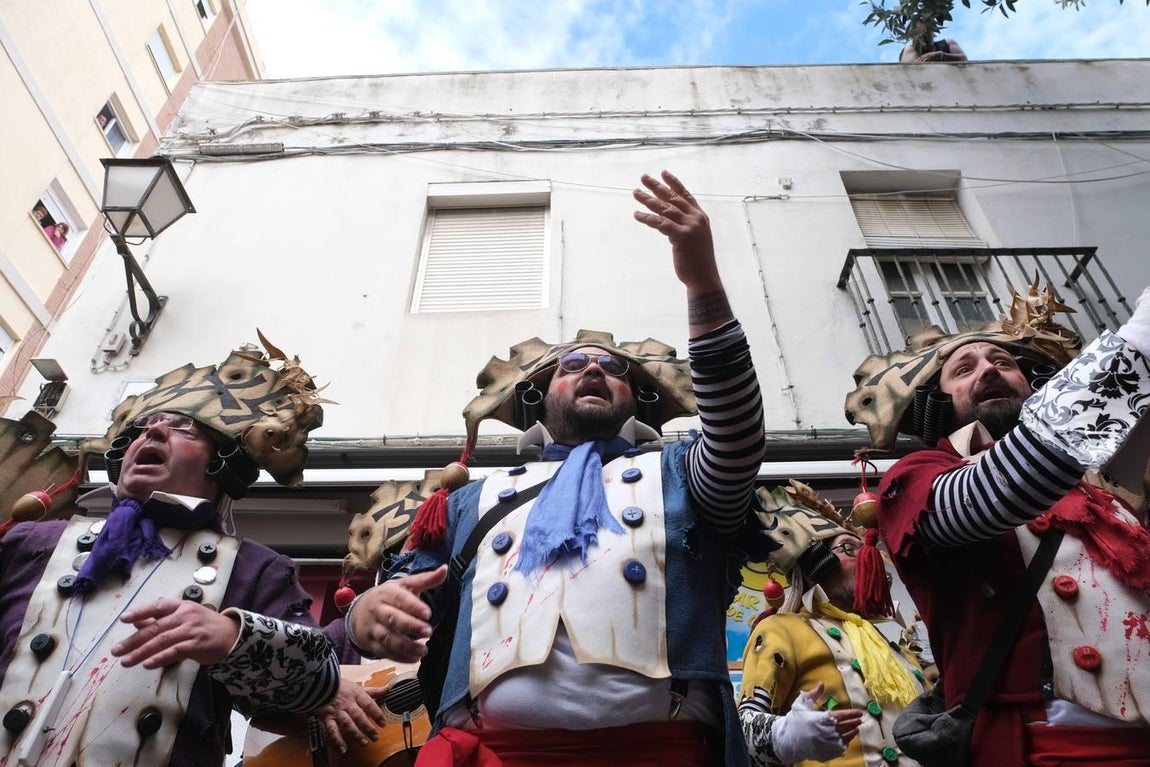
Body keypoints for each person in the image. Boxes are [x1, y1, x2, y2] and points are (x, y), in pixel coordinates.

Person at [344, 170, 767, 766]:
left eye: (612, 369)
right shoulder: (471, 499)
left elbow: (737, 433)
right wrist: (368, 614)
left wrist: (702, 279)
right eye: (572, 365)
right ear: (540, 401)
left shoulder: (681, 477)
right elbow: (411, 601)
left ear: (637, 401)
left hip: (660, 752)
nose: (594, 369)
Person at [844, 281, 1150, 765]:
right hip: (1048, 746)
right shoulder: (918, 476)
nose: (988, 368)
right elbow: (994, 494)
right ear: (939, 403)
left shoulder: (1103, 490)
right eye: (963, 369)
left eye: (1003, 363)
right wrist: (1137, 347)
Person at [0, 341, 346, 767]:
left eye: (183, 428)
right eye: (144, 427)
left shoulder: (254, 569)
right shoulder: (34, 542)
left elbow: (319, 681)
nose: (154, 432)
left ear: (223, 465)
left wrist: (231, 639)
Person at [737, 481, 928, 767]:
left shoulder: (897, 648)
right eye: (848, 548)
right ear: (817, 565)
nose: (867, 559)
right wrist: (785, 734)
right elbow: (741, 727)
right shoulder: (782, 629)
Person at [899, 20, 966, 63]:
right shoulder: (911, 50)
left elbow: (964, 59)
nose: (921, 35)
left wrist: (941, 55)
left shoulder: (948, 43)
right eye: (916, 33)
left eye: (924, 31)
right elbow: (906, 70)